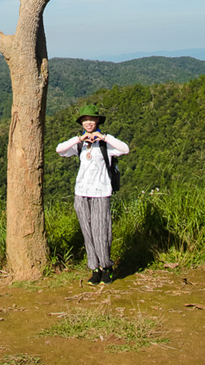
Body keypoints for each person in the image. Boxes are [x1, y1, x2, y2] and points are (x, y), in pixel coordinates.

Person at [56, 103, 129, 284]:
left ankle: (107, 267)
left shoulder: (106, 144)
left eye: (92, 119)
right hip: (81, 192)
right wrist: (79, 140)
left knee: (101, 230)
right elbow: (60, 150)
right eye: (85, 120)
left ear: (97, 121)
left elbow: (125, 149)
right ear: (81, 123)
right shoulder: (80, 144)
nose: (88, 123)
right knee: (87, 231)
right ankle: (94, 268)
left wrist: (103, 137)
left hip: (101, 191)